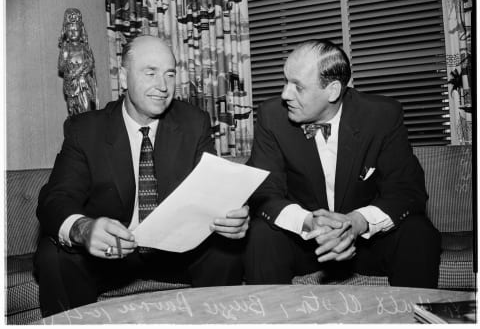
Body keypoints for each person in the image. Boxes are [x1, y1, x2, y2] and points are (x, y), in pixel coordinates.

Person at [35, 35, 249, 317]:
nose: (163, 86)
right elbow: (55, 198)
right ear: (123, 78)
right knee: (55, 256)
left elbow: (212, 192)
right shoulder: (86, 130)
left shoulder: (193, 123)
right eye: (150, 73)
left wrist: (231, 216)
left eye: (170, 74)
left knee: (227, 250)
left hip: (177, 252)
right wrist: (84, 228)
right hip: (112, 254)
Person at [244, 39, 441, 288]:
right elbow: (264, 191)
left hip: (366, 245)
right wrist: (309, 222)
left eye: (298, 86)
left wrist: (355, 223)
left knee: (419, 233)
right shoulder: (272, 117)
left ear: (333, 90)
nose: (285, 94)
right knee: (260, 235)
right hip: (302, 245)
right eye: (285, 81)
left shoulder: (381, 116)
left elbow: (407, 191)